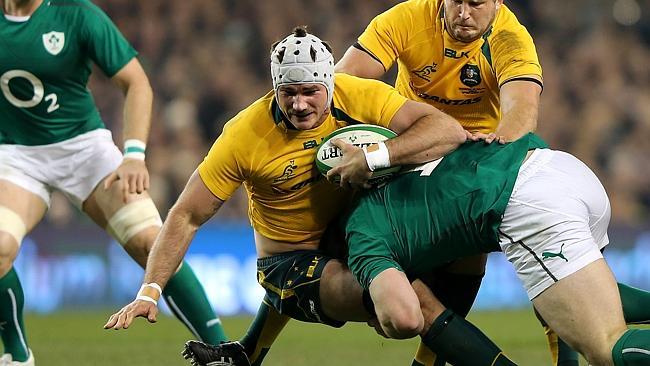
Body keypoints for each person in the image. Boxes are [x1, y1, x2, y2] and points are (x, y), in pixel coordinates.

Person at [104, 27, 518, 366]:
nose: (299, 104)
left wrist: (376, 156)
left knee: (457, 263)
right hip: (290, 264)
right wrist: (149, 291)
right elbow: (186, 216)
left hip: (354, 235)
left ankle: (244, 355)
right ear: (275, 88)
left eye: (310, 92)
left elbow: (444, 130)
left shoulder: (356, 95)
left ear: (329, 83)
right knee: (412, 309)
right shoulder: (244, 136)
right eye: (288, 93)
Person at [0, 1, 227, 364]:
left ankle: (224, 351)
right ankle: (17, 352)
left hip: (85, 150)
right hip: (16, 154)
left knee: (151, 244)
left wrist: (134, 153)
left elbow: (136, 81)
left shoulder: (76, 14)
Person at [344, 132, 650, 366]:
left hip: (530, 204)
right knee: (567, 296)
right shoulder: (424, 146)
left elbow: (412, 314)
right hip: (562, 167)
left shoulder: (361, 231)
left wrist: (382, 316)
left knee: (605, 348)